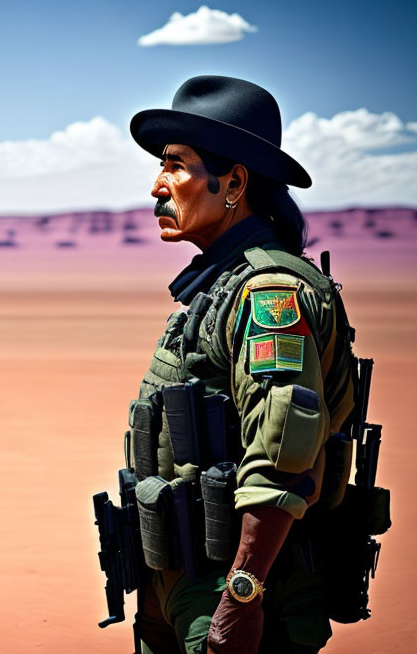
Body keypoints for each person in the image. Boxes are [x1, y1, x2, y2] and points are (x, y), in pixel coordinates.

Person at [124, 76, 358, 654]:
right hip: (188, 584)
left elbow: (284, 454)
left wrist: (241, 596)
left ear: (233, 183)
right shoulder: (220, 285)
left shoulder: (268, 293)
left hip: (237, 598)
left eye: (175, 165)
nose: (156, 186)